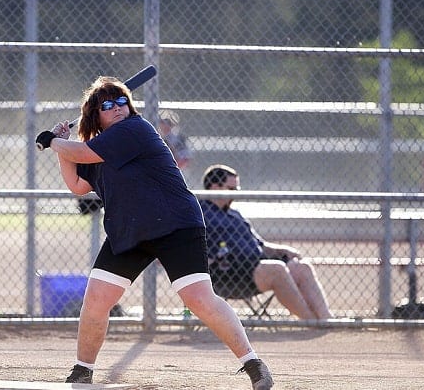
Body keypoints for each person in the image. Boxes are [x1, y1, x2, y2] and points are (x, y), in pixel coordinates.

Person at [35, 76, 273, 389]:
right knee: (96, 300)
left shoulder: (135, 129)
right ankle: (82, 370)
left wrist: (55, 142)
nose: (117, 108)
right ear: (95, 114)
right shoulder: (94, 146)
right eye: (107, 105)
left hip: (175, 224)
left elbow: (81, 153)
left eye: (121, 101)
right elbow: (78, 185)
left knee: (199, 299)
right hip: (129, 232)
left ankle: (253, 364)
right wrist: (60, 148)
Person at [200, 164, 333, 320]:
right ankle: (309, 320)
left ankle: (326, 318)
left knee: (301, 267)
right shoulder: (201, 213)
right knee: (276, 269)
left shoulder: (234, 215)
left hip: (256, 267)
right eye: (231, 189)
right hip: (228, 275)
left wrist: (285, 251)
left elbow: (260, 245)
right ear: (215, 187)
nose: (235, 194)